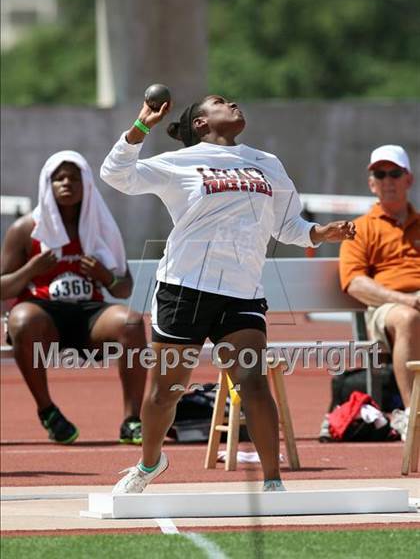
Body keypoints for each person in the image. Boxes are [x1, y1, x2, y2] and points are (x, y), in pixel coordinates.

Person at [101, 94, 356, 493]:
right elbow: (115, 174)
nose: (233, 103)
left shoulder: (267, 163)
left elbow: (288, 226)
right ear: (201, 124)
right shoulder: (178, 163)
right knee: (166, 392)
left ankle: (273, 483)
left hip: (241, 293)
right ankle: (150, 463)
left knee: (253, 383)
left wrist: (320, 233)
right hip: (183, 289)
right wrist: (141, 126)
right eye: (220, 102)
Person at [1, 151, 147, 444]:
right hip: (44, 317)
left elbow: (124, 288)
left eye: (74, 177)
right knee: (21, 319)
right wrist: (32, 269)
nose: (67, 183)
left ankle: (132, 420)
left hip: (89, 315)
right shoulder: (26, 230)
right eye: (59, 178)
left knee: (131, 322)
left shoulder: (101, 225)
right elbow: (3, 289)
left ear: (87, 184)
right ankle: (48, 412)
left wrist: (105, 276)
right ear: (48, 184)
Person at [339, 145, 420, 440]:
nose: (388, 180)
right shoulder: (359, 229)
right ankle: (415, 418)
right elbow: (355, 283)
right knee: (409, 318)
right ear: (371, 183)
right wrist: (408, 299)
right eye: (380, 174)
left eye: (394, 173)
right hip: (387, 309)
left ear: (408, 179)